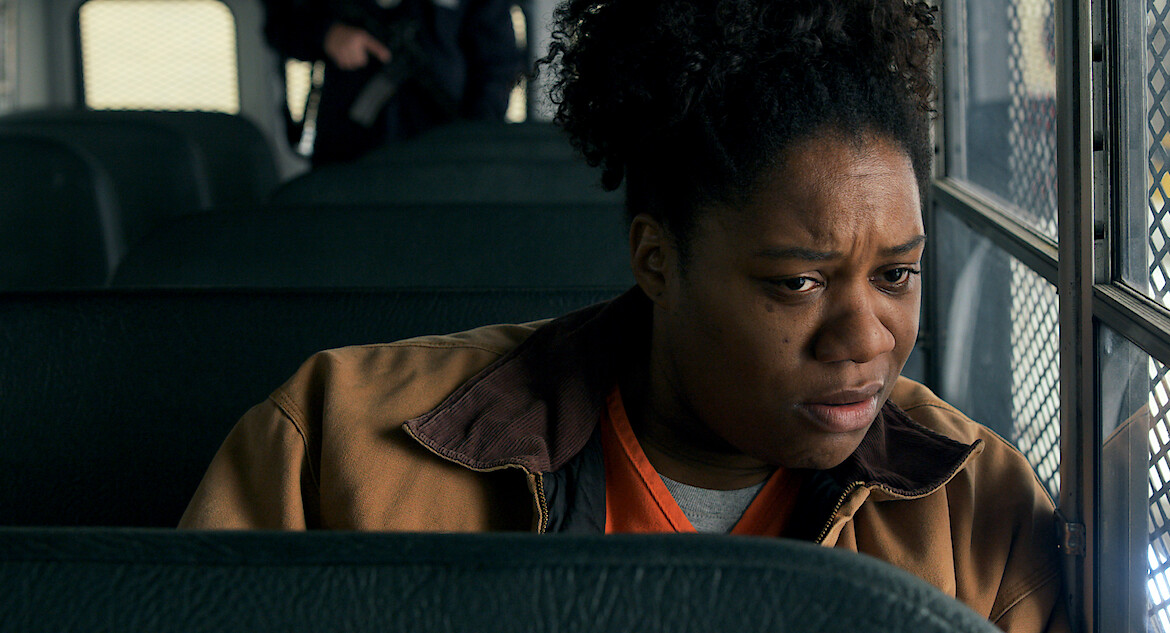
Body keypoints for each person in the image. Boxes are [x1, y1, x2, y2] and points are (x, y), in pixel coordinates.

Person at [183, 1, 1068, 630]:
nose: (869, 338)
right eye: (798, 283)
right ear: (657, 259)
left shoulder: (976, 506)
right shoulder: (336, 444)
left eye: (899, 274)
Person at [261, 0, 523, 165]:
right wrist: (326, 33)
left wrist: (476, 138)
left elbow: (499, 63)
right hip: (349, 145)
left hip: (445, 144)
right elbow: (280, 22)